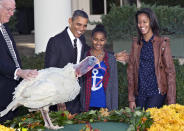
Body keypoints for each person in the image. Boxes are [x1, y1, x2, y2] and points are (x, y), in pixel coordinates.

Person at [127, 8, 176, 111]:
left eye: (145, 22)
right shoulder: (136, 44)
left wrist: (171, 102)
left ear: (151, 22)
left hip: (156, 92)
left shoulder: (162, 43)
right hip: (140, 93)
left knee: (149, 120)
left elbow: (170, 72)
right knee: (139, 123)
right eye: (139, 22)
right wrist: (131, 99)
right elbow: (131, 72)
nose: (141, 25)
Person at [45, 10, 90, 114]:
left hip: (77, 96)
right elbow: (50, 72)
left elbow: (90, 52)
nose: (81, 29)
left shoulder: (81, 39)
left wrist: (112, 55)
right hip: (61, 99)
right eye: (78, 24)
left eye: (84, 26)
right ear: (70, 21)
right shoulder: (55, 41)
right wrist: (58, 98)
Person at [0, 0, 38, 123]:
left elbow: (12, 57)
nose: (12, 14)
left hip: (11, 92)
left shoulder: (4, 27)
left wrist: (24, 75)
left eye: (13, 10)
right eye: (8, 9)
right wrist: (19, 72)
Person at [80, 24, 119, 112]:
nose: (98, 43)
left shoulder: (111, 59)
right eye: (95, 39)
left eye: (102, 40)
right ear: (91, 39)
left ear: (105, 40)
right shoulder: (85, 56)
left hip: (105, 104)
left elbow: (114, 85)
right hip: (88, 104)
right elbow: (81, 82)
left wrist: (114, 109)